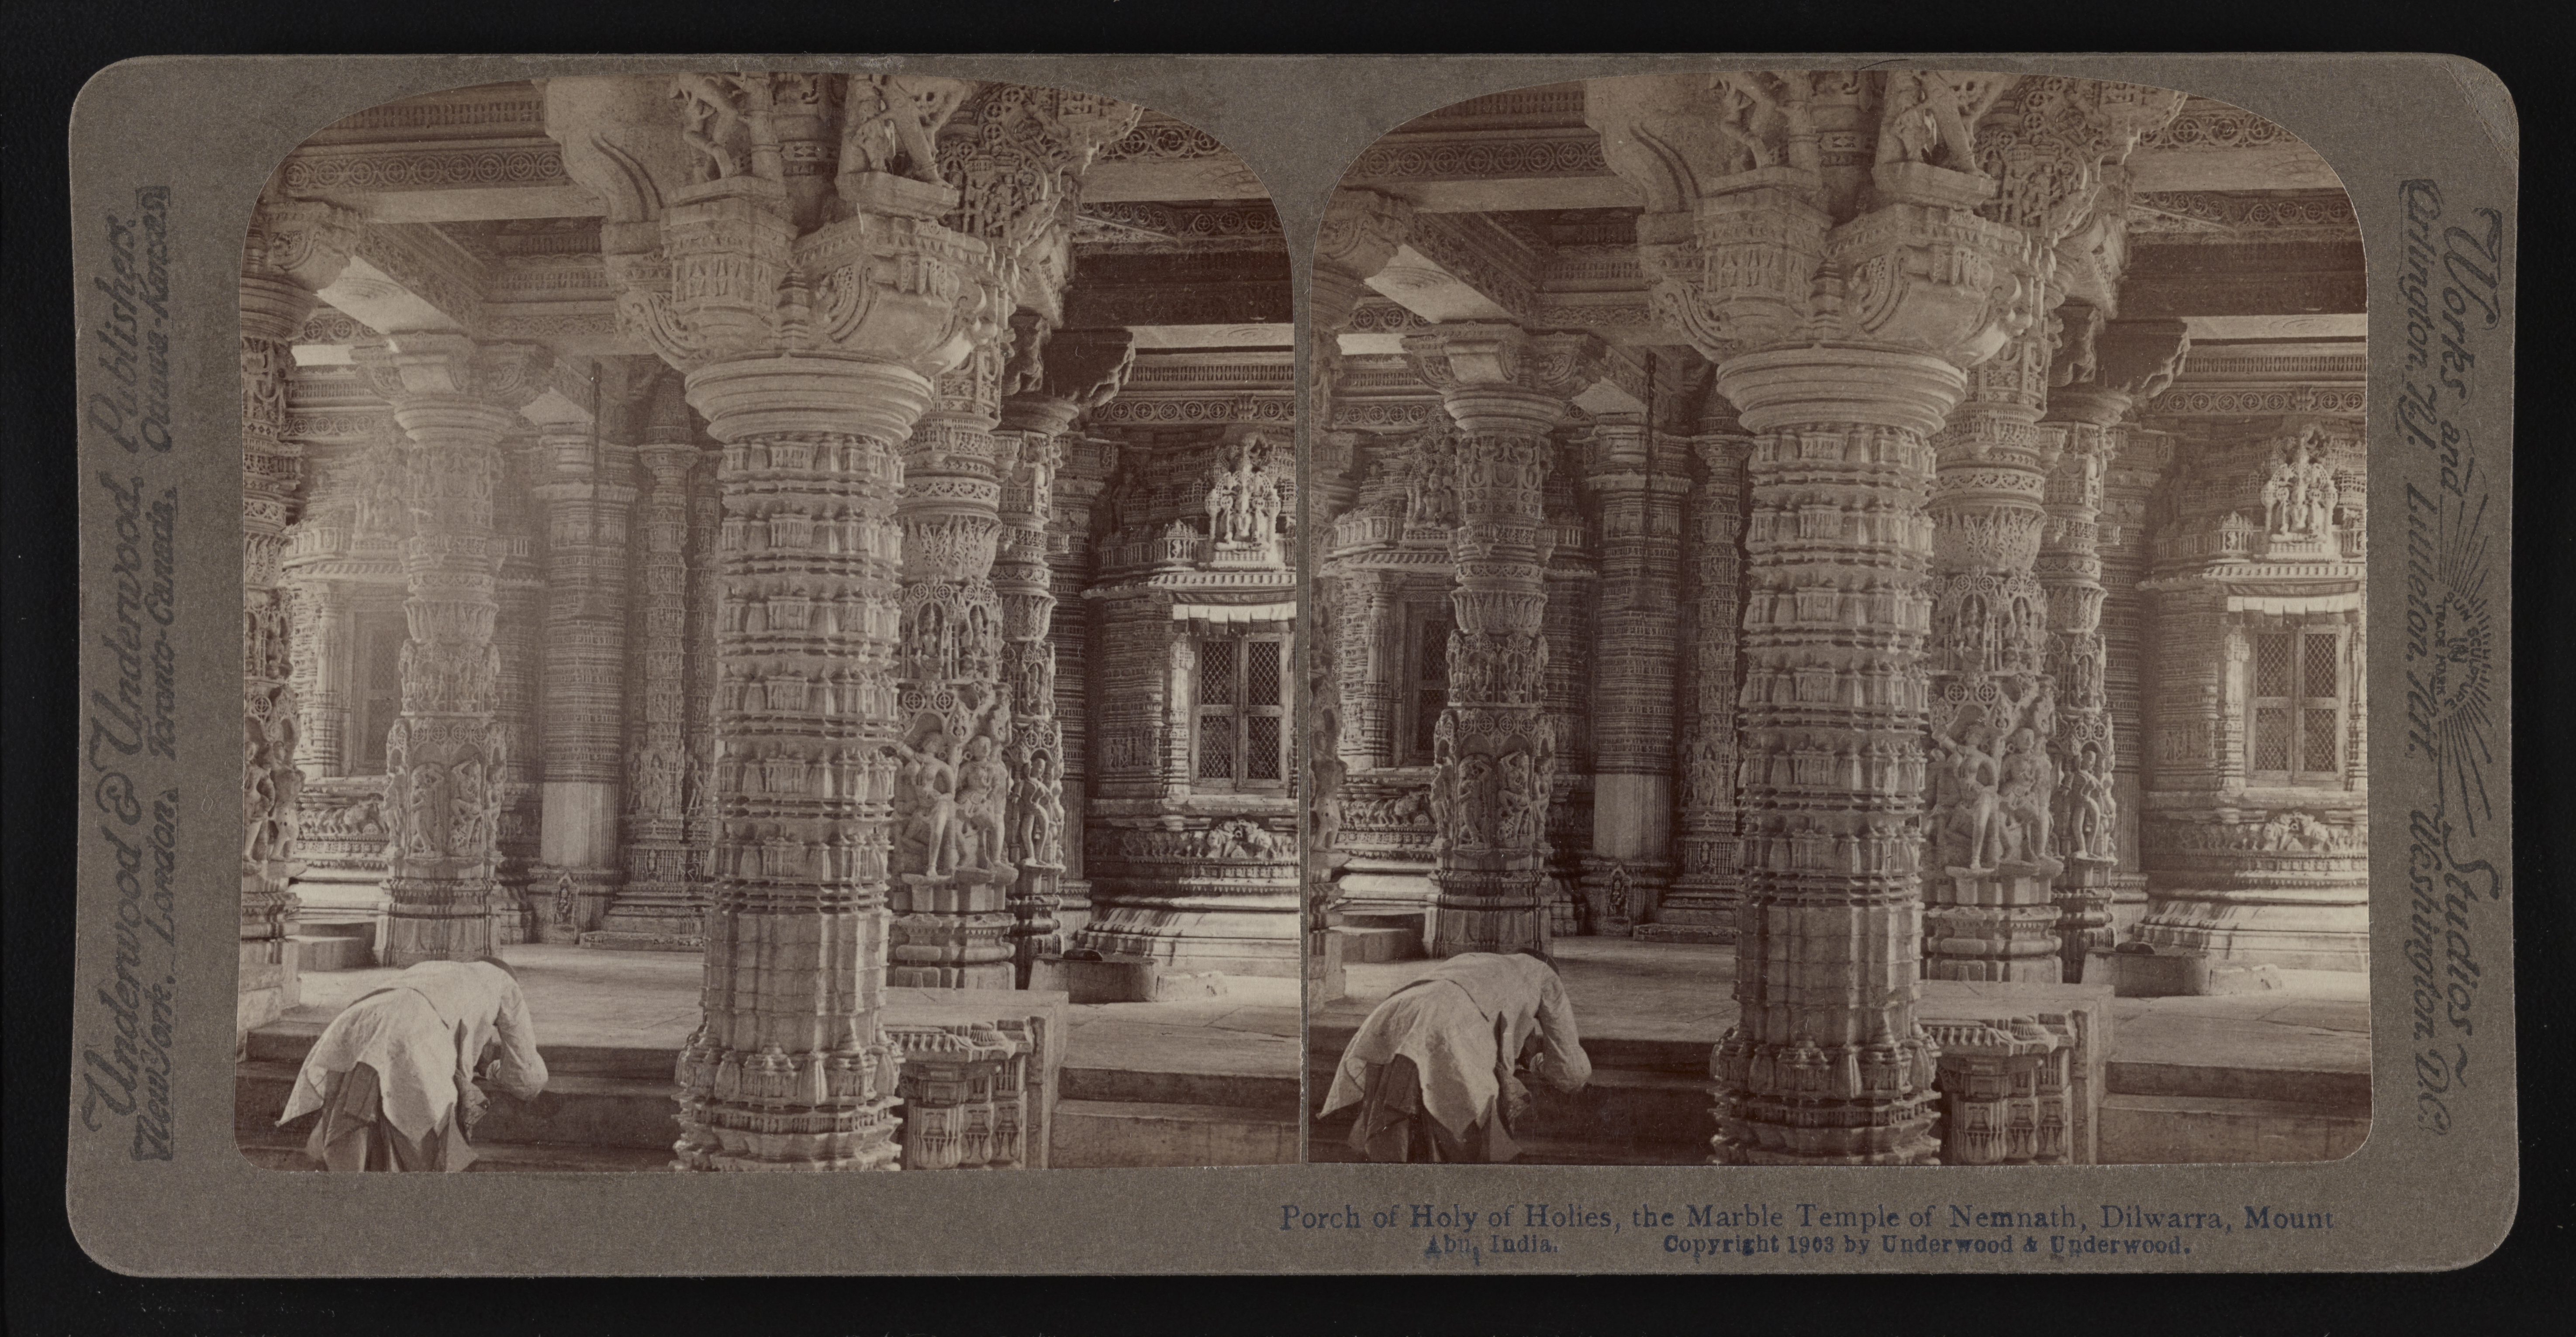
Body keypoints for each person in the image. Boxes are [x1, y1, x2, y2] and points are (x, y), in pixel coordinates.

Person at [276, 955, 547, 1172]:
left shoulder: (437, 968)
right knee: (424, 1152)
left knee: (352, 1127)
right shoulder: (506, 984)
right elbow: (527, 1080)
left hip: (357, 1021)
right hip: (411, 1033)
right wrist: (493, 1070)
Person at [1319, 949, 1591, 1163]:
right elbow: (1571, 1073)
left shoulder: (1474, 959)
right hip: (1450, 1026)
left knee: (1398, 1131)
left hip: (1394, 1013)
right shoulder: (1546, 976)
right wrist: (1539, 1063)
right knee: (1469, 1145)